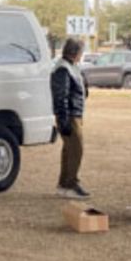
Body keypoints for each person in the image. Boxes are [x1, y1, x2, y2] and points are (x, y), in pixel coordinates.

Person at [51, 38, 90, 199]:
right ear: (76, 52)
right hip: (70, 115)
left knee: (69, 150)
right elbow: (61, 96)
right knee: (76, 149)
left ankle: (64, 183)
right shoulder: (63, 69)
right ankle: (71, 183)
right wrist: (63, 119)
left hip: (75, 114)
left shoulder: (71, 67)